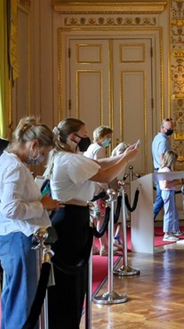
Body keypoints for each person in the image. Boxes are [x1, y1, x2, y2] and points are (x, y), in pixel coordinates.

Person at [47, 118, 139, 327]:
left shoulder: (70, 156)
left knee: (76, 278)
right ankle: (65, 320)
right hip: (69, 216)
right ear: (73, 137)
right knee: (70, 280)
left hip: (74, 214)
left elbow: (98, 164)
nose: (87, 137)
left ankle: (71, 317)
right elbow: (104, 175)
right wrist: (126, 160)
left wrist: (122, 156)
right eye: (85, 133)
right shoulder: (68, 160)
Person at [0, 117, 63, 329]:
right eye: (44, 152)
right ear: (34, 145)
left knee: (16, 296)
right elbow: (11, 209)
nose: (43, 158)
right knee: (23, 300)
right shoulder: (14, 168)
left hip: (13, 237)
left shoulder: (8, 161)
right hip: (19, 237)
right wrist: (43, 205)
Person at [83, 125, 121, 255]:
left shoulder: (90, 148)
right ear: (101, 137)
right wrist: (106, 188)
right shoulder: (98, 149)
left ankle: (93, 246)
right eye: (107, 138)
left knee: (94, 218)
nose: (109, 141)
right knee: (100, 218)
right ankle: (104, 247)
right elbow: (100, 170)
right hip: (98, 188)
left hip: (89, 188)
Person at [151, 118, 175, 220]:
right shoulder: (163, 140)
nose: (171, 130)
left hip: (158, 170)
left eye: (172, 128)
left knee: (161, 198)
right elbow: (162, 157)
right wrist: (167, 171)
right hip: (162, 171)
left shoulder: (157, 138)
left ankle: (149, 221)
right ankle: (148, 220)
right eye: (169, 128)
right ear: (162, 128)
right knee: (161, 198)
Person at [157, 151, 182, 242]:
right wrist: (177, 181)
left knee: (170, 212)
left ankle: (170, 232)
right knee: (169, 213)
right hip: (168, 192)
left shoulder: (161, 169)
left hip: (166, 192)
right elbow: (166, 184)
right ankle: (167, 234)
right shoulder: (167, 170)